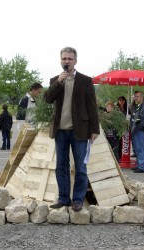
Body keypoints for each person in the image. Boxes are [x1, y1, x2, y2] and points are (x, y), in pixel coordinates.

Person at [44, 47, 100, 212]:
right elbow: (48, 99)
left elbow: (92, 107)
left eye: (69, 59)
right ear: (60, 60)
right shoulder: (55, 79)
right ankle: (63, 199)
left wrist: (94, 129)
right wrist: (59, 82)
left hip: (80, 130)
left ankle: (77, 200)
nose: (66, 61)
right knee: (61, 165)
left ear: (75, 61)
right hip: (60, 130)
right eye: (64, 59)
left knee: (81, 167)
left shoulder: (85, 80)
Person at [130, 91, 144, 173]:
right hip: (136, 130)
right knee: (137, 149)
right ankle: (138, 164)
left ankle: (142, 166)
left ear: (142, 97)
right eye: (135, 96)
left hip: (140, 130)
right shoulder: (137, 106)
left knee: (141, 149)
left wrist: (138, 127)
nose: (135, 98)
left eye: (137, 96)